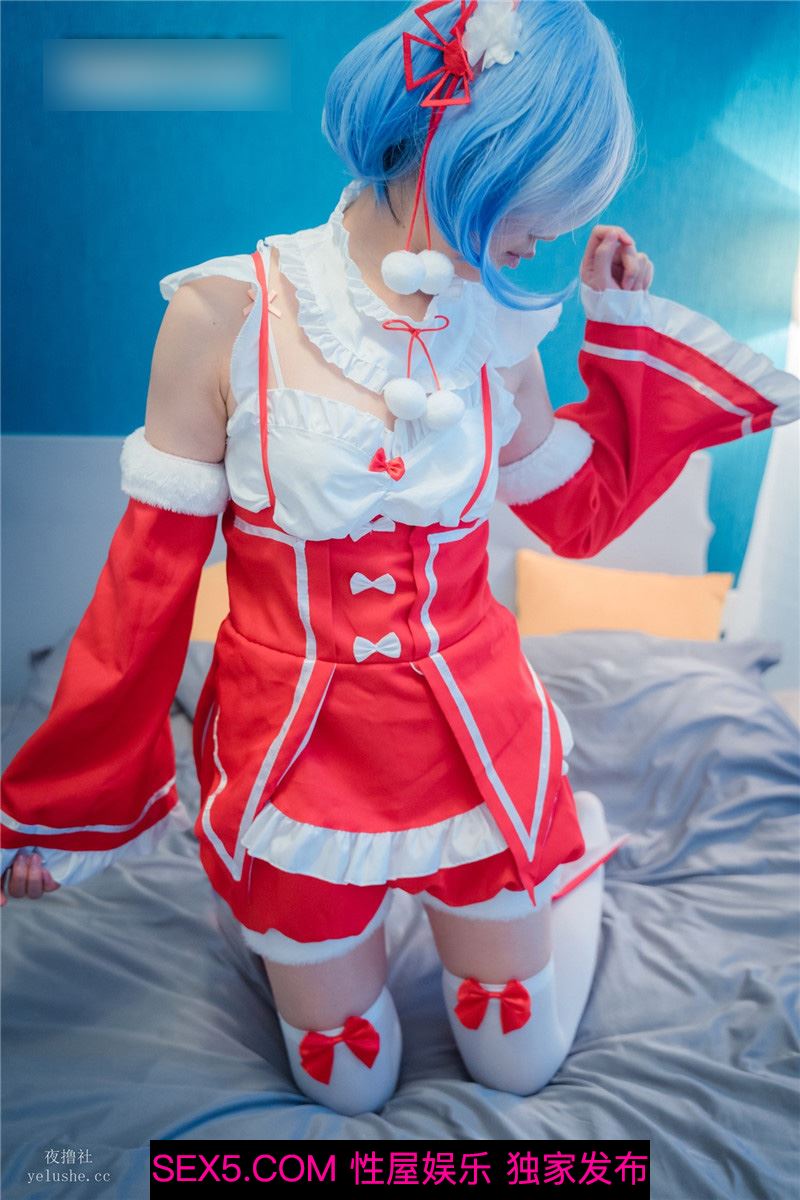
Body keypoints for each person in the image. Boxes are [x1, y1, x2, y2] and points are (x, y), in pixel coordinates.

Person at [1, 0, 797, 1117]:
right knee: (347, 1082)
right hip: (295, 754)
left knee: (516, 1056)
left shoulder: (498, 330)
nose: (547, 241)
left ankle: (561, 864)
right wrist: (63, 801)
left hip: (476, 739)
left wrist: (617, 329)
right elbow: (146, 587)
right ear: (470, 152)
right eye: (543, 200)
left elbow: (576, 516)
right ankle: (288, 925)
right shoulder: (225, 313)